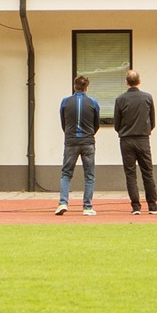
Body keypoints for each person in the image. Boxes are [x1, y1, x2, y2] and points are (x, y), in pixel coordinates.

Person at [114, 68, 157, 215]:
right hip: (143, 139)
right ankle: (152, 205)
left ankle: (135, 206)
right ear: (139, 81)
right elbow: (152, 121)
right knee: (147, 172)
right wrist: (146, 130)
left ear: (126, 82)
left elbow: (117, 123)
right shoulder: (147, 97)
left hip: (126, 140)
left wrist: (123, 132)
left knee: (130, 174)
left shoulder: (120, 99)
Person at [55, 75, 102, 216]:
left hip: (71, 142)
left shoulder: (65, 102)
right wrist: (89, 134)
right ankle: (87, 206)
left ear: (74, 86)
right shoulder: (93, 102)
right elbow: (97, 123)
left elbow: (63, 123)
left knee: (66, 174)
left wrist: (70, 134)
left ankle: (63, 203)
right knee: (89, 175)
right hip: (88, 142)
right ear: (86, 87)